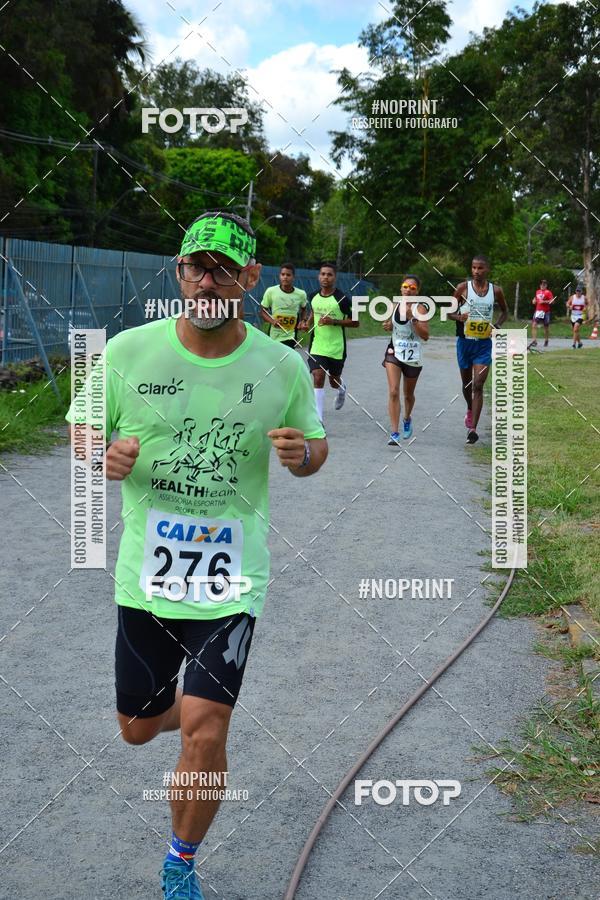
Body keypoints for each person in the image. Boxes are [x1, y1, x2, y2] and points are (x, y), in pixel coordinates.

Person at [66, 210, 327, 900]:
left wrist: (304, 458)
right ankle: (189, 696)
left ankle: (180, 862)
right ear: (178, 274)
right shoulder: (127, 353)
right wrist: (104, 454)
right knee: (137, 729)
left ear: (248, 279)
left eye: (223, 269)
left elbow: (316, 443)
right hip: (146, 581)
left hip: (232, 582)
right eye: (194, 266)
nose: (207, 280)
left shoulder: (282, 364)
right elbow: (84, 431)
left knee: (207, 733)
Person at [449, 255, 508, 445]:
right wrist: (459, 317)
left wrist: (497, 326)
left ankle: (472, 429)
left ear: (487, 269)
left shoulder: (496, 290)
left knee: (478, 385)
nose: (476, 271)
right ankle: (469, 407)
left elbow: (505, 312)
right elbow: (447, 312)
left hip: (484, 344)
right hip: (465, 343)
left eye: (480, 268)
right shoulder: (462, 288)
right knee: (467, 385)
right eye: (473, 268)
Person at [301, 261, 359, 422]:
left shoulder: (342, 299)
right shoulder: (312, 296)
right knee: (318, 376)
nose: (325, 277)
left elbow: (355, 322)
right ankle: (318, 420)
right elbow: (313, 313)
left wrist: (334, 321)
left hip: (336, 347)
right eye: (323, 274)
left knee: (333, 381)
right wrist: (307, 323)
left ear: (335, 277)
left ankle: (341, 389)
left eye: (329, 274)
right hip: (317, 346)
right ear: (318, 276)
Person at [382, 274, 429, 443]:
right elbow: (391, 324)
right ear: (401, 288)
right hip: (394, 352)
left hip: (413, 355)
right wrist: (388, 325)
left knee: (408, 395)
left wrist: (413, 318)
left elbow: (425, 335)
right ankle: (394, 433)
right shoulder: (395, 305)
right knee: (393, 391)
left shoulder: (421, 309)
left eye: (412, 288)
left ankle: (407, 418)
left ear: (418, 291)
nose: (408, 290)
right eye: (405, 286)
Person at [259, 262, 308, 348]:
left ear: (293, 277)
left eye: (288, 275)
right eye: (283, 274)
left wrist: (303, 320)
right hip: (274, 335)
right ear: (279, 276)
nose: (285, 277)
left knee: (287, 359)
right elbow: (263, 312)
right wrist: (272, 321)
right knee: (274, 359)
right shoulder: (271, 291)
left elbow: (304, 309)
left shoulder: (301, 294)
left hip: (291, 335)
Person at [531, 278, 555, 347]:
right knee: (534, 325)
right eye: (541, 284)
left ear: (546, 285)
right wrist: (534, 300)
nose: (542, 285)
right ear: (540, 285)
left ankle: (546, 340)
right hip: (538, 311)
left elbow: (552, 301)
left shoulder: (548, 292)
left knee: (546, 327)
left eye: (544, 284)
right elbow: (535, 299)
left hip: (545, 312)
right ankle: (534, 341)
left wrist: (544, 302)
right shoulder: (537, 291)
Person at [567, 284, 586, 349]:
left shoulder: (584, 298)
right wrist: (569, 307)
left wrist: (585, 308)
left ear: (581, 292)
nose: (578, 292)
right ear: (575, 291)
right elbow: (567, 303)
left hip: (581, 315)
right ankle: (580, 343)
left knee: (575, 328)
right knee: (576, 331)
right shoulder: (572, 297)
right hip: (573, 316)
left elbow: (588, 304)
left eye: (579, 291)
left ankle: (574, 344)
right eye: (577, 291)